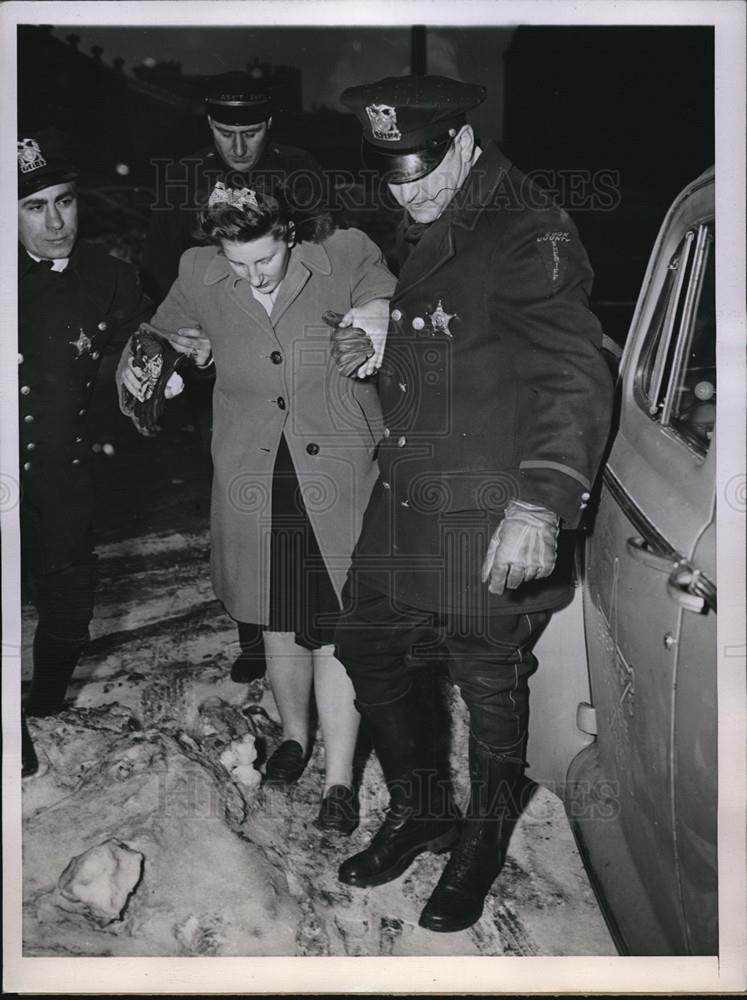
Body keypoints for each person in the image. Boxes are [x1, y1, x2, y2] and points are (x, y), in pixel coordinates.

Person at [332, 75, 614, 930]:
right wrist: (380, 330)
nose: (407, 193)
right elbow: (448, 323)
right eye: (392, 178)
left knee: (488, 679)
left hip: (490, 506)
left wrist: (540, 505)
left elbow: (571, 373)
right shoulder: (436, 206)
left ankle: (483, 838)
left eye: (421, 170)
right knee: (366, 641)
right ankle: (424, 808)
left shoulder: (527, 226)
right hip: (412, 494)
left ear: (461, 141)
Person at [118, 183, 395, 833]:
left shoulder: (343, 253)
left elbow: (384, 303)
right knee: (274, 613)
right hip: (255, 471)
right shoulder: (199, 270)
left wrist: (370, 332)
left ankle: (339, 781)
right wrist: (162, 358)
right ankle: (295, 737)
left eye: (262, 262)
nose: (248, 276)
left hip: (335, 472)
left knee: (332, 623)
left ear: (290, 234)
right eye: (235, 263)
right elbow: (151, 342)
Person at [141, 70, 328, 685]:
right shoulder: (180, 181)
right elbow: (161, 276)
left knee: (299, 488)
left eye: (251, 133)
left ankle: (306, 619)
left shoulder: (302, 172)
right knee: (239, 496)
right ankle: (253, 629)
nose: (240, 148)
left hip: (291, 362)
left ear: (271, 126)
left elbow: (330, 261)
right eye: (226, 133)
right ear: (208, 127)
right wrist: (181, 342)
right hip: (216, 375)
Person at [17, 128, 152, 768]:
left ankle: (43, 710)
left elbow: (149, 347)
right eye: (34, 206)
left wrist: (169, 367)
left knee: (69, 610)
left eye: (64, 201)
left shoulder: (109, 276)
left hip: (63, 469)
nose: (55, 221)